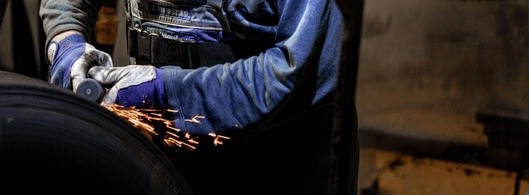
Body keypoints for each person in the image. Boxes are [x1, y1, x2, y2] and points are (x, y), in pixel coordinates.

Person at [40, 0, 354, 194]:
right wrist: (65, 40)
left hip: (278, 155)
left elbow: (298, 75)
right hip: (166, 138)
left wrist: (161, 92)